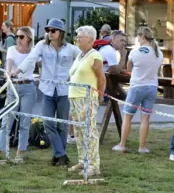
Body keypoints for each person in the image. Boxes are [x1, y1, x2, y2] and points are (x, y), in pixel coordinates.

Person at [12, 18, 80, 166]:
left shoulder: (70, 48)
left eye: (53, 30)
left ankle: (59, 157)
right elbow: (31, 59)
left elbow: (84, 58)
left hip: (64, 91)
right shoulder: (41, 46)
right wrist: (17, 70)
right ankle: (60, 154)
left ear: (60, 32)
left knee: (62, 125)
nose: (50, 33)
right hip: (47, 91)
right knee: (48, 123)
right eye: (48, 30)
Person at [0, 27, 36, 163]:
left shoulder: (34, 53)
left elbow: (41, 65)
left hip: (29, 87)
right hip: (13, 86)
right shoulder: (12, 50)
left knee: (24, 121)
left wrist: (40, 77)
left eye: (21, 37)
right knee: (7, 120)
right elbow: (9, 64)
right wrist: (8, 74)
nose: (18, 39)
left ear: (29, 38)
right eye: (17, 36)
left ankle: (20, 153)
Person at [113, 27, 163, 154]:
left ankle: (122, 144)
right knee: (145, 118)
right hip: (152, 86)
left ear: (141, 37)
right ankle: (142, 146)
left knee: (128, 116)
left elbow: (128, 67)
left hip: (137, 86)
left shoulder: (135, 52)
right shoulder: (158, 52)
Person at [68, 26, 105, 176]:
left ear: (90, 39)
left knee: (89, 131)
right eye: (77, 36)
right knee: (78, 131)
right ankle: (83, 160)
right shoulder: (80, 55)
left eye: (80, 36)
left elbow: (101, 78)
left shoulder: (95, 56)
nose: (77, 38)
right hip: (74, 96)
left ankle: (93, 165)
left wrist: (100, 95)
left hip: (87, 97)